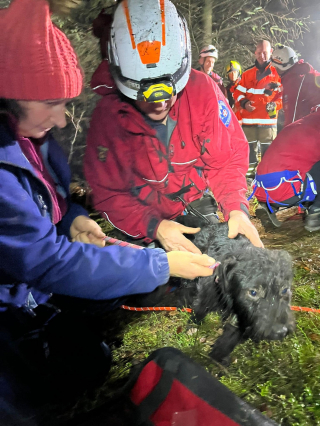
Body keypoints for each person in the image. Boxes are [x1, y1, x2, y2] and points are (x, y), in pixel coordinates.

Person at [0, 0, 219, 422]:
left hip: (32, 295)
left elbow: (46, 204)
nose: (63, 121)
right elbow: (44, 261)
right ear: (9, 92)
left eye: (65, 103)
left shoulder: (32, 140)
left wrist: (71, 219)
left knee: (92, 361)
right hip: (14, 305)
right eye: (51, 102)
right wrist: (160, 263)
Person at [84, 0, 263, 257]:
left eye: (169, 88)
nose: (159, 102)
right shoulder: (109, 117)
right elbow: (110, 193)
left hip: (192, 202)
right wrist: (154, 227)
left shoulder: (202, 92)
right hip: (141, 213)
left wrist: (236, 208)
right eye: (143, 91)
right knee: (150, 288)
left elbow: (226, 158)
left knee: (223, 266)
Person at [251, 106, 320, 232]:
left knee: (298, 162)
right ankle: (316, 211)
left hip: (262, 189)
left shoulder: (300, 123)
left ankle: (269, 206)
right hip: (287, 190)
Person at [234, 40, 282, 178]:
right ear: (255, 53)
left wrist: (275, 106)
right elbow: (237, 93)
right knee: (249, 153)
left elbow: (283, 96)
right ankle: (250, 178)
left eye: (265, 52)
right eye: (259, 53)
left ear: (271, 52)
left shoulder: (278, 73)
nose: (262, 56)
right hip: (249, 122)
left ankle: (267, 178)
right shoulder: (247, 74)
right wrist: (244, 103)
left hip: (268, 122)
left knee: (269, 153)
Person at [271, 45, 320, 127]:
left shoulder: (295, 81)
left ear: (285, 67)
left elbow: (293, 115)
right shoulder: (298, 73)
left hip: (311, 126)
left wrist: (287, 135)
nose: (275, 70)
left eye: (277, 68)